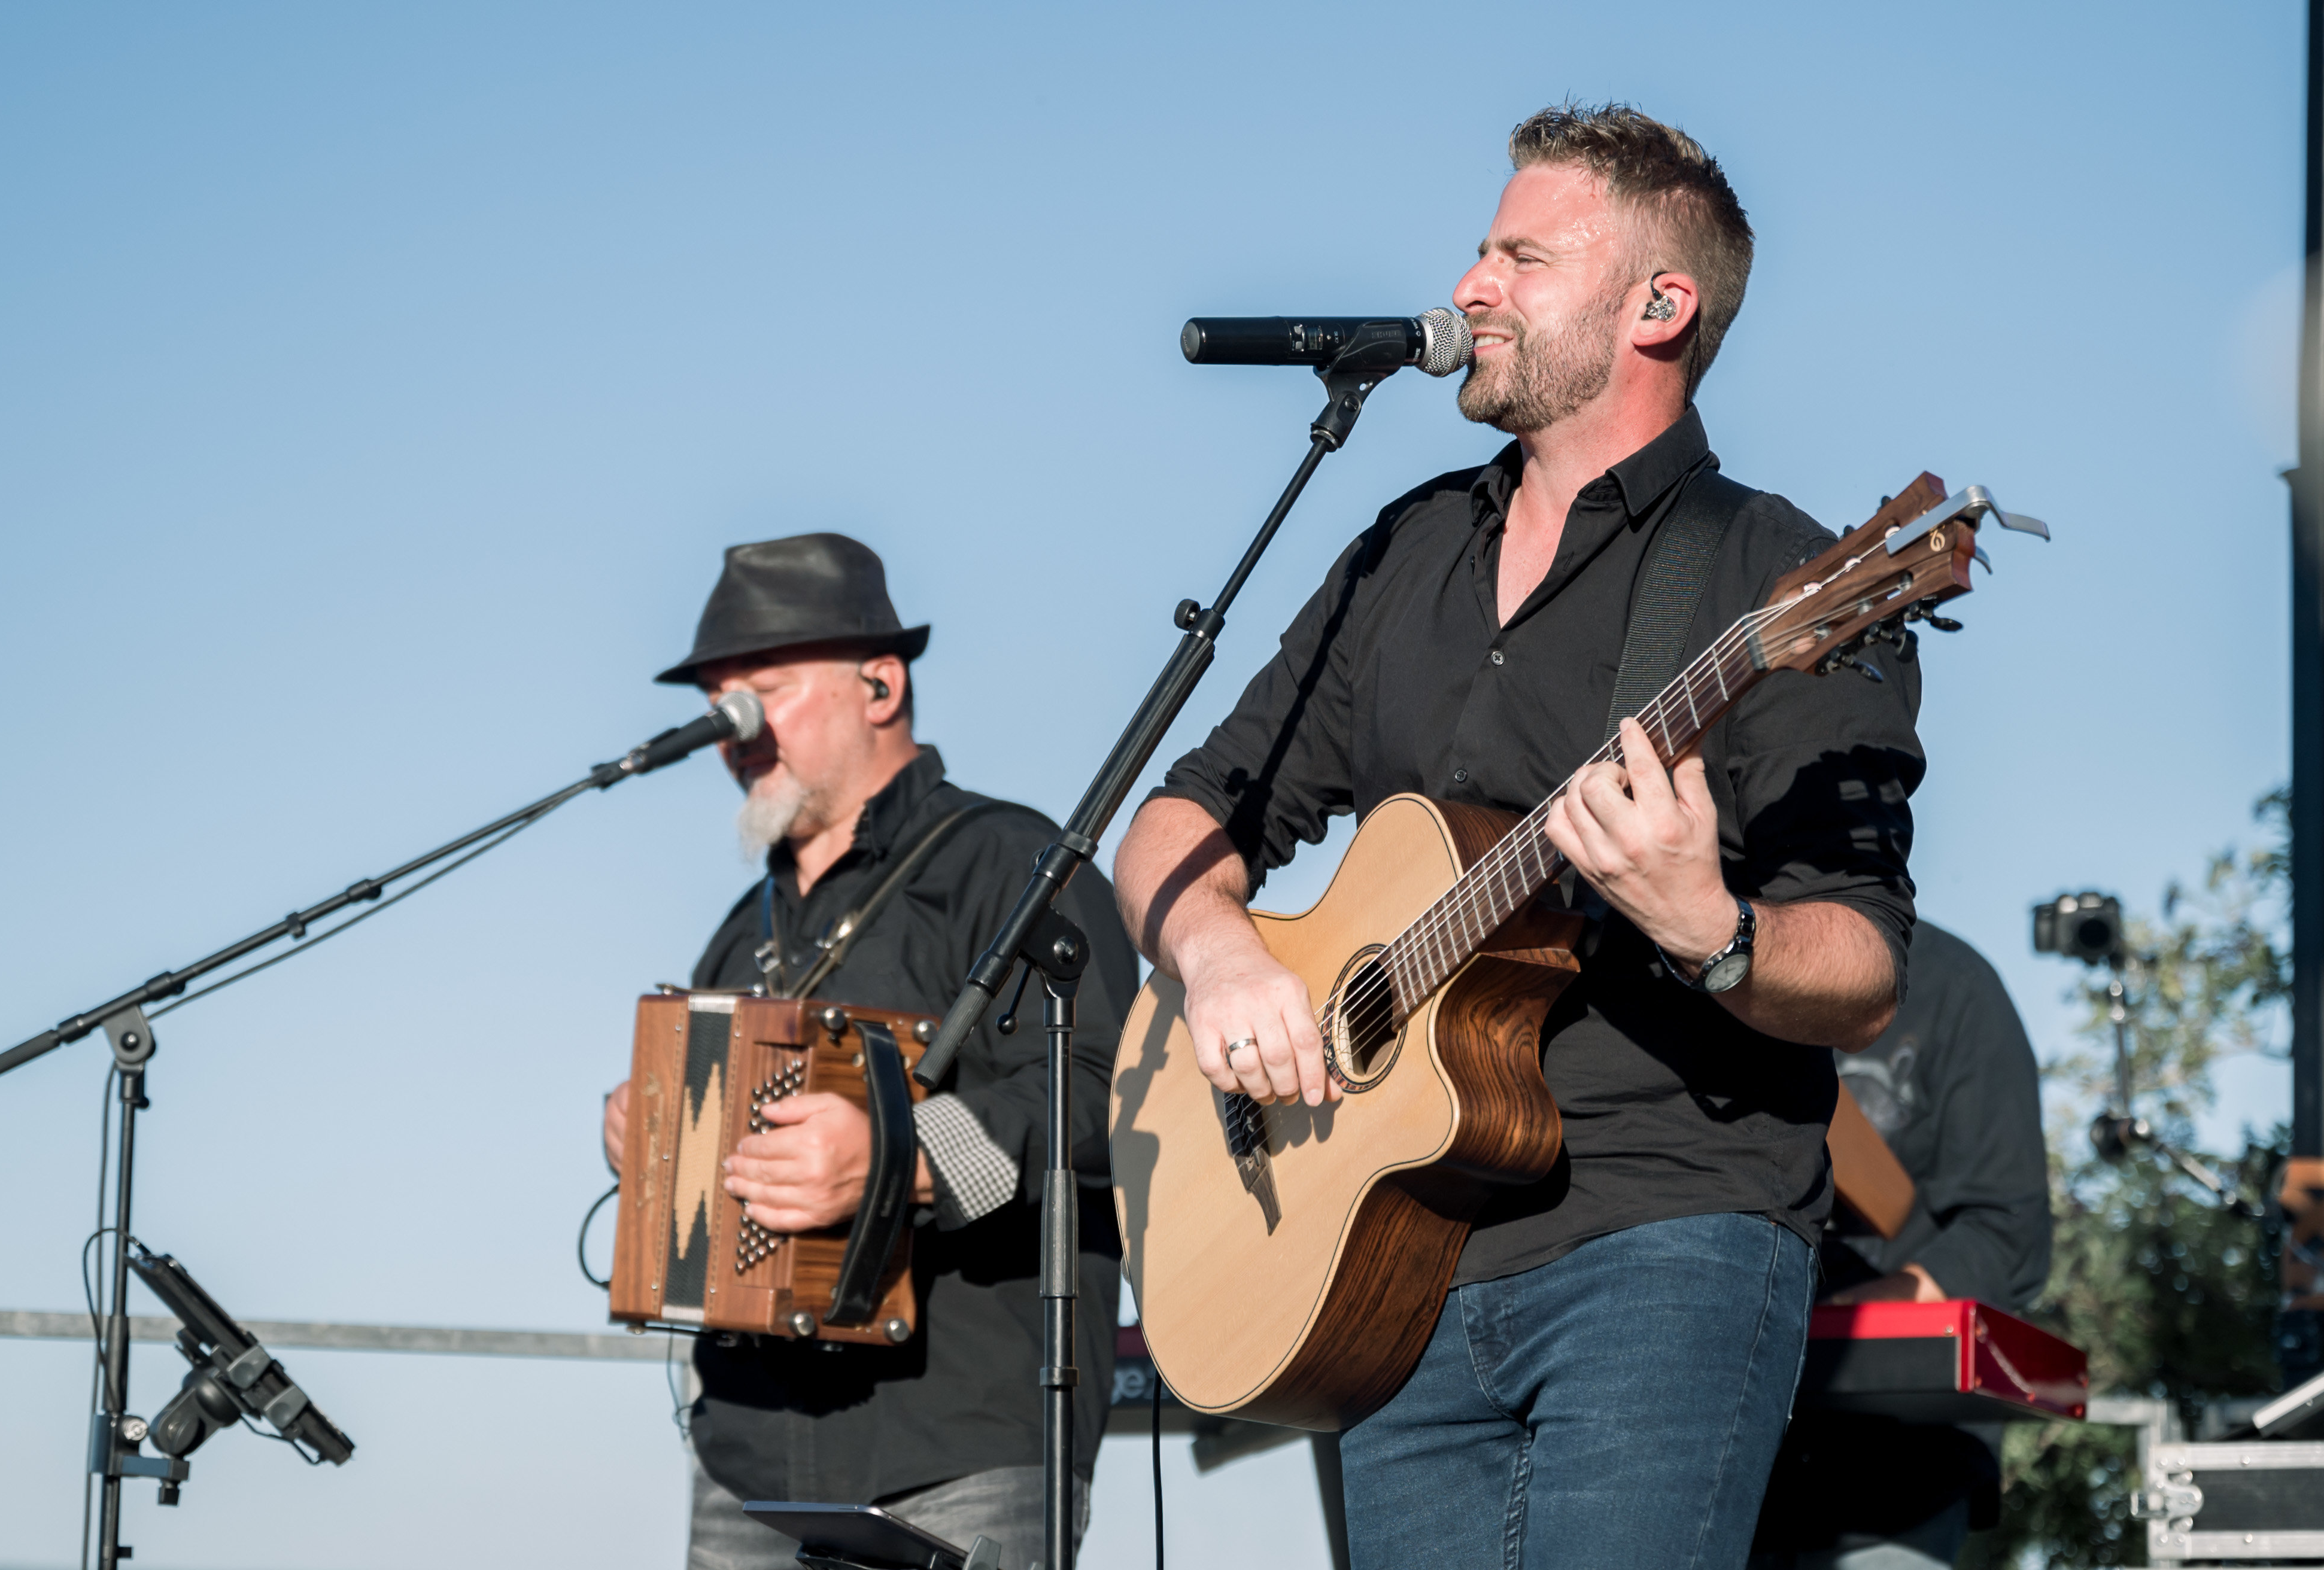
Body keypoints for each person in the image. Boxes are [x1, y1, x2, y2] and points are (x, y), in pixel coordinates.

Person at [1110, 104, 1925, 1569]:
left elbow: (1861, 964)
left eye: (1520, 259)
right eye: (1481, 251)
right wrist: (1221, 956)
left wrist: (1712, 927)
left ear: (1657, 307)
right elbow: (1188, 812)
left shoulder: (1781, 576)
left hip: (1663, 1237)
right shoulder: (1405, 549)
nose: (1469, 285)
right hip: (1389, 1261)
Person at [601, 534, 1137, 1570]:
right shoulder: (741, 933)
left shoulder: (1013, 866)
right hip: (746, 1464)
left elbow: (1115, 1093)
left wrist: (900, 1157)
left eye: (762, 695)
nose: (732, 732)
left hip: (959, 1450)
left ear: (880, 684)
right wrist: (648, 1135)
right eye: (717, 707)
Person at [1750, 921, 2053, 1569]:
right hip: (1715, 1449)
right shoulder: (1689, 971)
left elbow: (2008, 1234)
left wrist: (1834, 1316)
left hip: (1899, 1476)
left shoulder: (1955, 984)